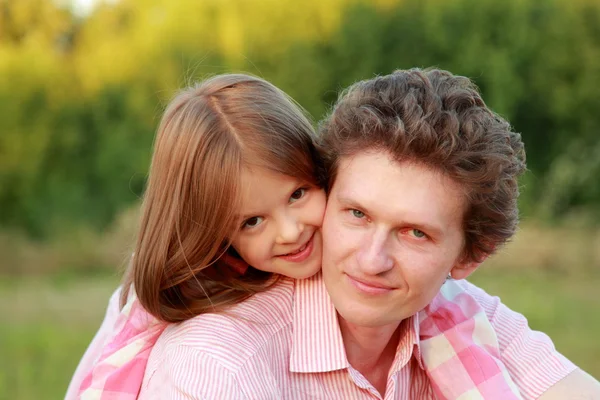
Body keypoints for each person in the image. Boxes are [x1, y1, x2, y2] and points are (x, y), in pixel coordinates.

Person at [136, 68, 600, 399]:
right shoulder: (218, 366)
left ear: (469, 258)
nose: (371, 259)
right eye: (356, 214)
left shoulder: (462, 317)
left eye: (415, 233)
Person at [65, 73, 327, 399]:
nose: (290, 231)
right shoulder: (153, 315)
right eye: (253, 221)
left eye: (298, 193)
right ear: (214, 236)